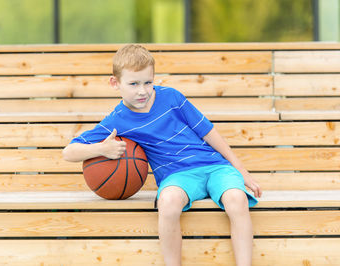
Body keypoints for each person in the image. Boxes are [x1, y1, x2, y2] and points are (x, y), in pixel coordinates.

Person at [62, 44, 262, 266]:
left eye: (148, 82)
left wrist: (240, 169)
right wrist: (101, 149)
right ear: (115, 83)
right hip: (177, 176)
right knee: (167, 203)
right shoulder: (117, 120)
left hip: (214, 166)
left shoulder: (172, 98)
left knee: (237, 199)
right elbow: (69, 152)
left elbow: (208, 133)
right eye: (133, 84)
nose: (142, 91)